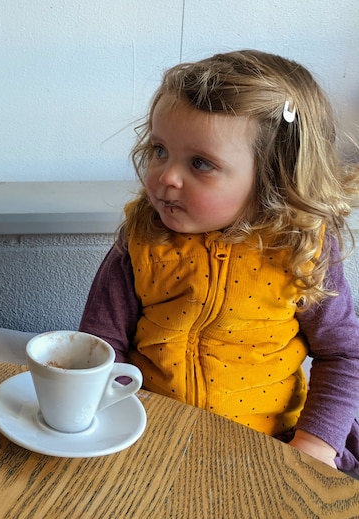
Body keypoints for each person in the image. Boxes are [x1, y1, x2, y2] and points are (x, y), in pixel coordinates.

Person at [79, 49, 359, 473]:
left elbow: (344, 355)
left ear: (273, 175)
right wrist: (116, 416)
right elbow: (102, 346)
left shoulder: (302, 250)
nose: (166, 176)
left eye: (200, 163)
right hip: (151, 442)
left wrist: (315, 443)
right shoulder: (142, 239)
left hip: (271, 450)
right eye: (159, 150)